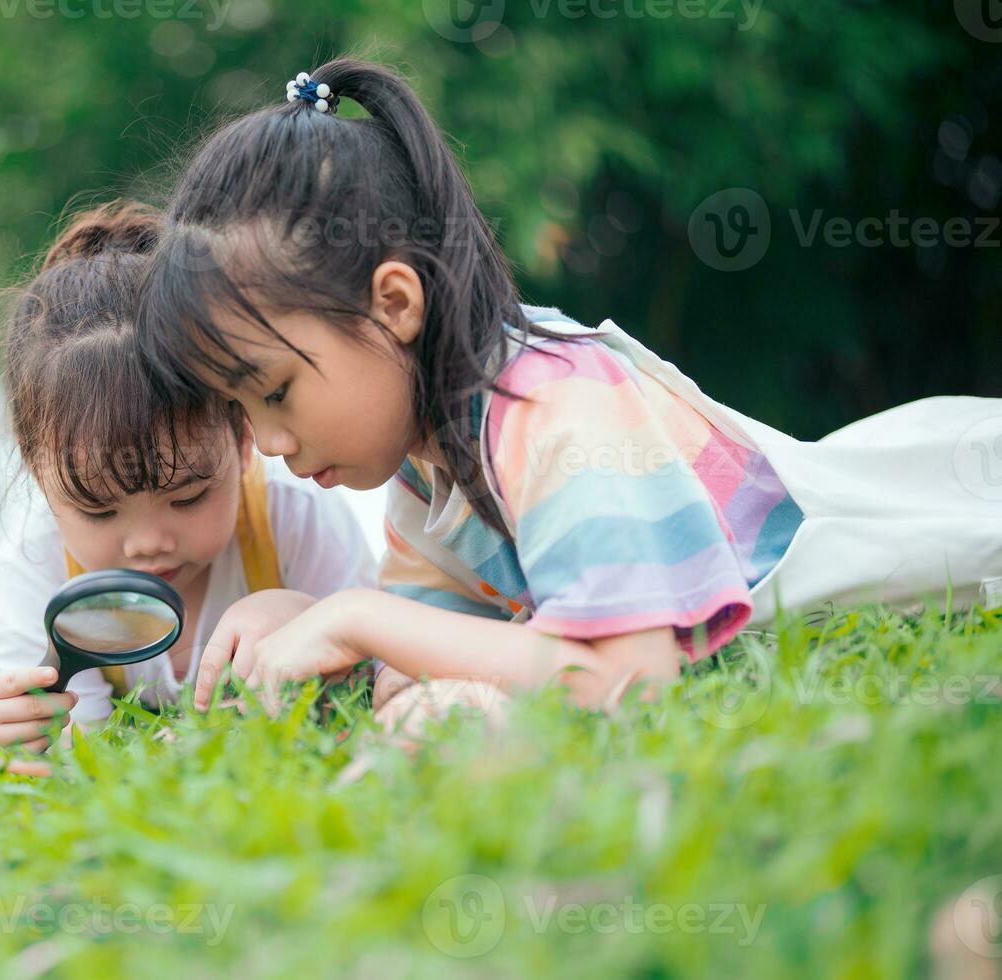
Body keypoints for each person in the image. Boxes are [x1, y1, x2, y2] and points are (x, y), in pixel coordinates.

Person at [134, 58, 1002, 716]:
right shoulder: (428, 461)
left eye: (274, 392)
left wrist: (354, 620)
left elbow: (624, 670)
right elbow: (436, 657)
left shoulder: (550, 402)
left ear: (393, 303)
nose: (271, 448)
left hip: (940, 514)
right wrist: (309, 620)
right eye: (242, 412)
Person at [0, 200, 377, 773]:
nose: (148, 542)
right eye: (98, 510)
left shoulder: (294, 519)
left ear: (244, 436)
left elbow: (378, 679)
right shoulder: (35, 566)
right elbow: (66, 747)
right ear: (37, 472)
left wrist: (307, 616)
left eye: (188, 496)